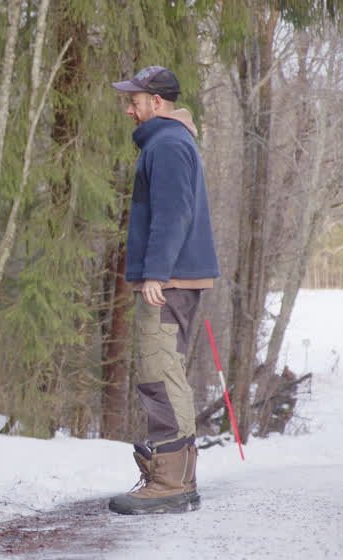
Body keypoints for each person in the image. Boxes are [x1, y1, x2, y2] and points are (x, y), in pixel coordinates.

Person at [108, 66, 219, 515]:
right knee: (162, 370)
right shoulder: (165, 143)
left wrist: (156, 272)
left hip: (168, 280)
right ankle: (179, 478)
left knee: (159, 372)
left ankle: (171, 481)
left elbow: (174, 215)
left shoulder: (169, 144)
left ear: (156, 102)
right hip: (170, 276)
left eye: (134, 99)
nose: (128, 108)